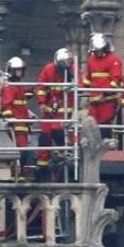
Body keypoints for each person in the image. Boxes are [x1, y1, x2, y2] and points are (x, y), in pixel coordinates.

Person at [35, 47, 77, 180]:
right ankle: (42, 169)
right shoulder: (49, 69)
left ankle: (63, 156)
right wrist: (42, 103)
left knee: (59, 132)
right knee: (44, 137)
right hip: (49, 111)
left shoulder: (73, 70)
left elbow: (78, 86)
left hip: (65, 111)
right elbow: (41, 87)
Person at [0, 56, 39, 179]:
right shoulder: (8, 87)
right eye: (17, 70)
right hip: (16, 125)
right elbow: (6, 106)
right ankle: (15, 174)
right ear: (11, 71)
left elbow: (21, 100)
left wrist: (32, 91)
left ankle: (21, 174)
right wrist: (11, 120)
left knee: (25, 151)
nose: (20, 72)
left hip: (24, 124)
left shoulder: (19, 86)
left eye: (21, 70)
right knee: (20, 151)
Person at [82, 32, 124, 141]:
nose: (98, 53)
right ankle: (95, 149)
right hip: (94, 100)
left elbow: (115, 79)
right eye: (96, 51)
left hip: (107, 100)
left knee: (104, 123)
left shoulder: (114, 59)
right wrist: (82, 88)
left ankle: (108, 149)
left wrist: (106, 93)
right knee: (91, 124)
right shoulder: (91, 59)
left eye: (100, 50)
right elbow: (89, 77)